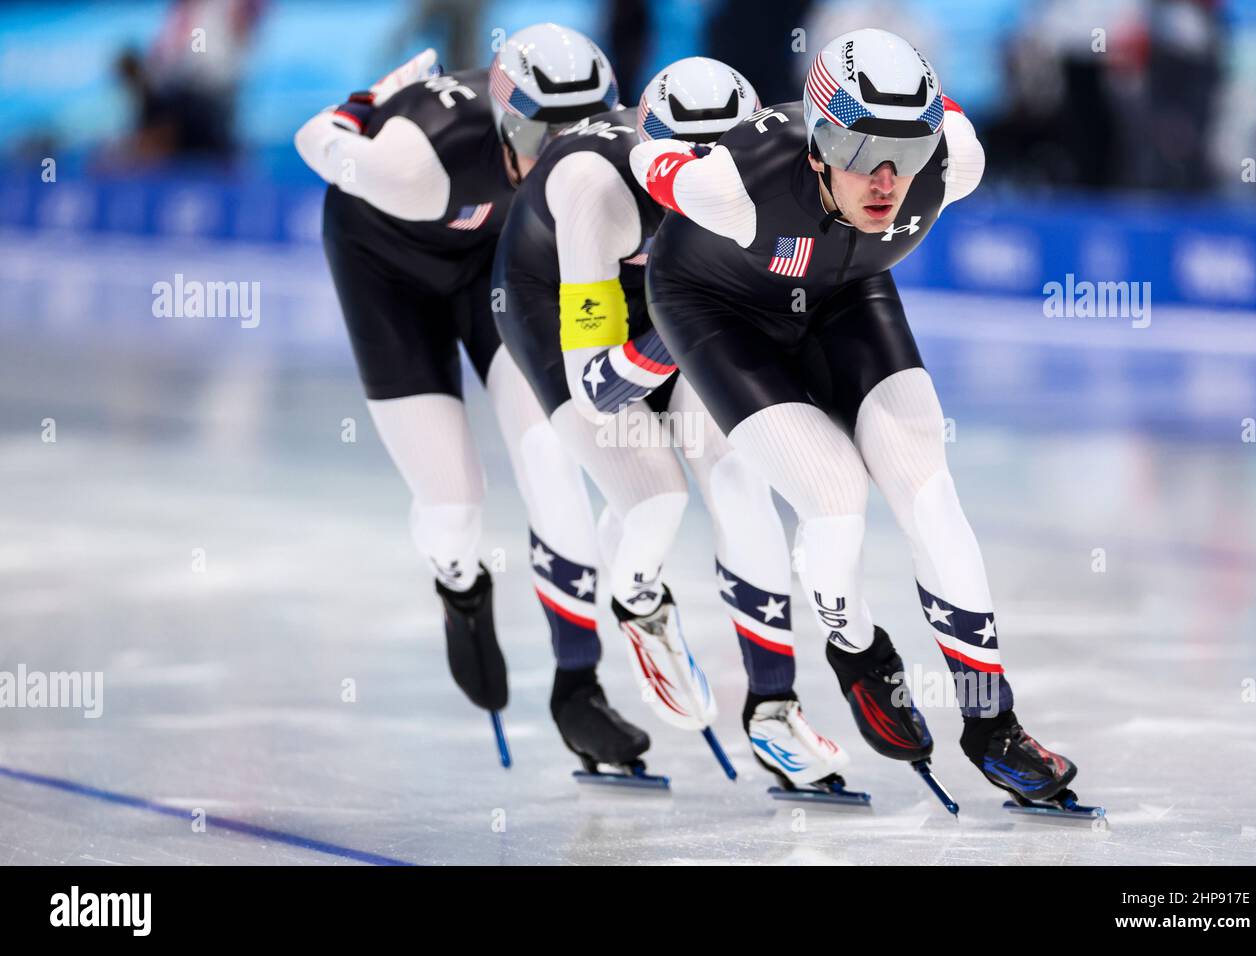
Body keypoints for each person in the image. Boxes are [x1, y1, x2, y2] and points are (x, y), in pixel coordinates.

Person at [629, 28, 1083, 807]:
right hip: (716, 310)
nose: (886, 178)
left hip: (845, 296)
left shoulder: (955, 159)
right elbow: (645, 155)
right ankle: (859, 652)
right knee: (834, 498)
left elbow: (945, 118)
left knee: (925, 486)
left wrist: (914, 129)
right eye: (864, 148)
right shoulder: (733, 183)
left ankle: (990, 720)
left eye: (907, 152)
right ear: (819, 142)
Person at [493, 57, 850, 791]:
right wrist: (682, 322)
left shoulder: (767, 173)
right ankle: (638, 600)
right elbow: (598, 388)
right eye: (684, 172)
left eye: (724, 170)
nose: (705, 192)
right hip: (555, 303)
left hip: (666, 303)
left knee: (738, 474)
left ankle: (773, 710)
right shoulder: (598, 192)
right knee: (655, 496)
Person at [293, 25, 627, 758]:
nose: (566, 159)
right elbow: (310, 140)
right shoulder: (415, 163)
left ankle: (579, 685)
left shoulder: (594, 155)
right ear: (506, 125)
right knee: (453, 506)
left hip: (490, 269)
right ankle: (461, 587)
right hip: (384, 269)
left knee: (553, 453)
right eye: (544, 137)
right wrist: (366, 101)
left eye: (586, 133)